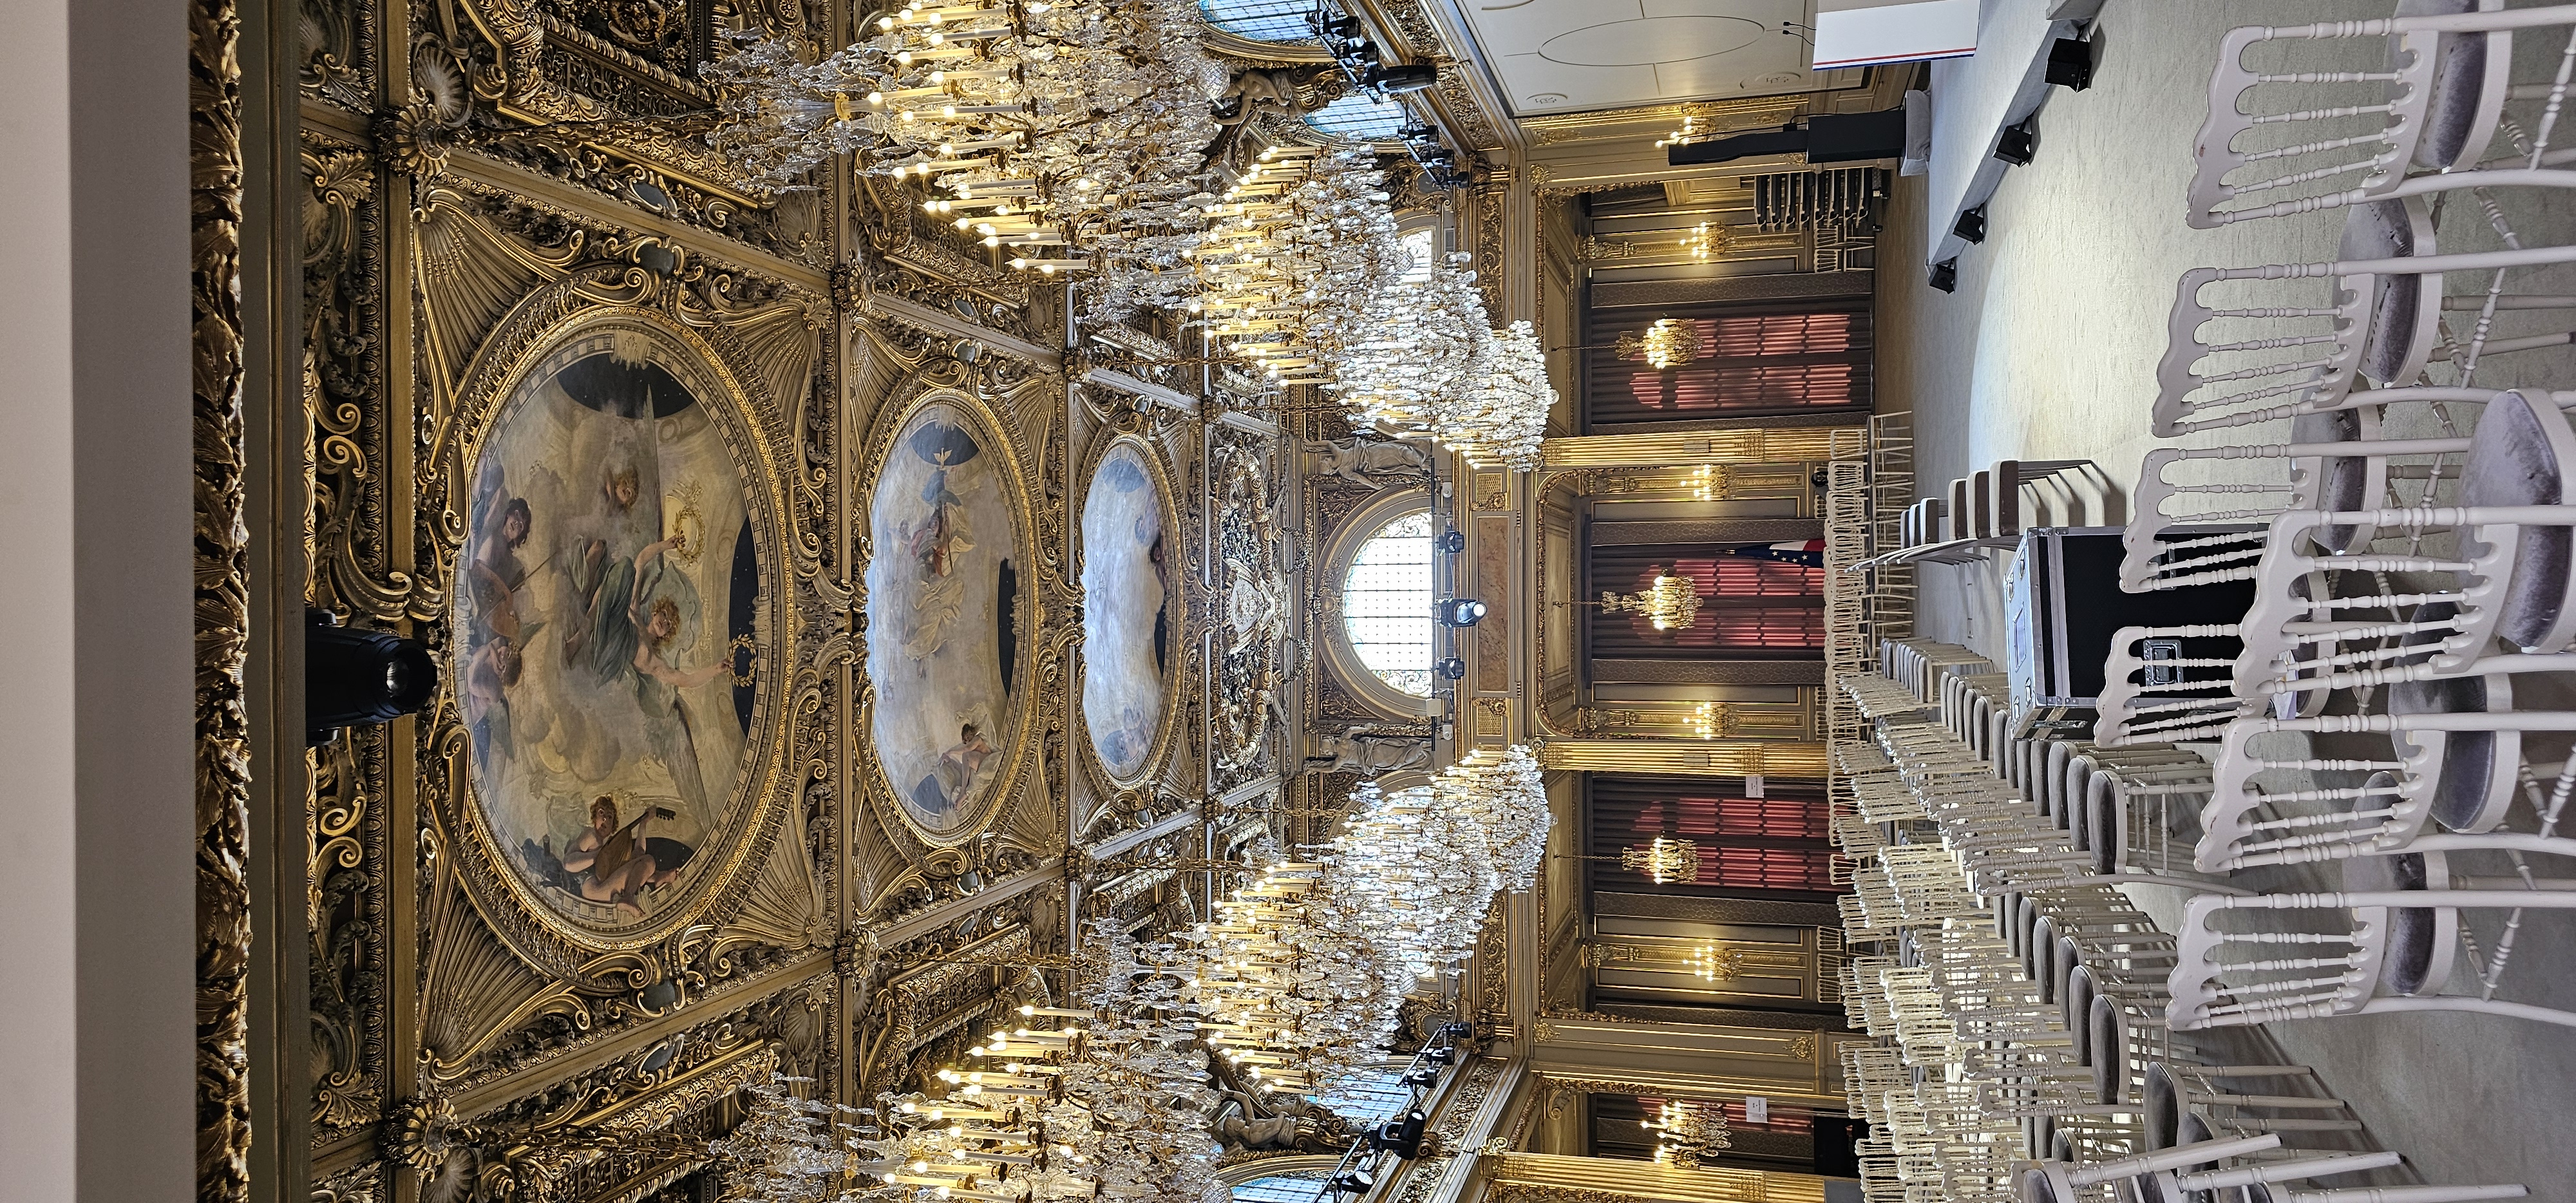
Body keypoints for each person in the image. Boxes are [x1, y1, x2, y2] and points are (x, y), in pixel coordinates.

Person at [560, 795, 678, 919]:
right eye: (601, 813)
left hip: (605, 886)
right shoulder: (591, 835)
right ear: (595, 818)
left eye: (610, 816)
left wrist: (644, 823)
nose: (605, 818)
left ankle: (657, 877)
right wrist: (599, 854)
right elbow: (568, 864)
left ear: (613, 827)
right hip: (594, 890)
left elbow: (639, 853)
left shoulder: (606, 844)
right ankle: (628, 897)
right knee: (647, 860)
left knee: (643, 861)